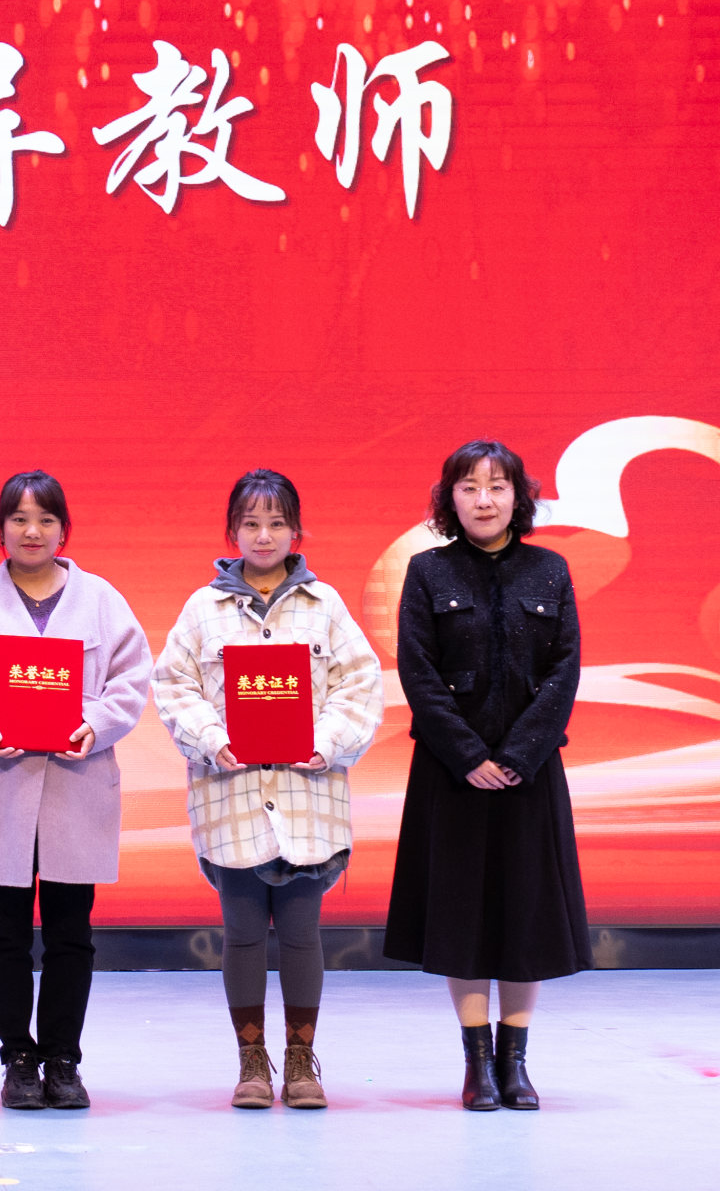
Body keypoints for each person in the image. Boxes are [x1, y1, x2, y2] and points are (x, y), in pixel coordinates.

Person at [0, 470, 154, 1111]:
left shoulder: (101, 599)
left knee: (72, 933)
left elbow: (133, 677)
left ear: (64, 530)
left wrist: (95, 724)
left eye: (46, 519)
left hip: (78, 782)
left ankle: (63, 1058)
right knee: (5, 934)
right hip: (1, 782)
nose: (32, 531)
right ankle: (18, 1057)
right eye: (19, 519)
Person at [153, 469, 382, 1110]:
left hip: (308, 794)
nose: (264, 535)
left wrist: (325, 741)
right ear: (232, 531)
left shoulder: (325, 605)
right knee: (244, 932)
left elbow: (360, 683)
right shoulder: (202, 610)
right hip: (232, 793)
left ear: (296, 531)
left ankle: (301, 1061)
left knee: (303, 933)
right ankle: (252, 1062)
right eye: (251, 524)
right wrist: (211, 738)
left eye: (277, 523)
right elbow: (173, 685)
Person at [383, 440, 588, 1111]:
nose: (484, 499)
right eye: (469, 487)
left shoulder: (551, 570)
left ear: (518, 498)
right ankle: (477, 1063)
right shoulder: (428, 571)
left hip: (530, 774)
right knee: (462, 919)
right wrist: (468, 756)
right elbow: (417, 670)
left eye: (497, 487)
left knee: (526, 916)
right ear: (450, 498)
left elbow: (563, 671)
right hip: (453, 774)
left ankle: (515, 1063)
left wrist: (519, 756)